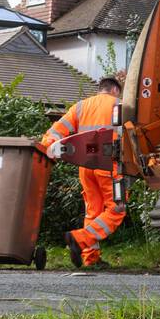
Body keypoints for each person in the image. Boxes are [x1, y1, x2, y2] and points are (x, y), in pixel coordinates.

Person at [42, 74, 126, 269]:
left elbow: (56, 131)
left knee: (93, 211)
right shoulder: (120, 106)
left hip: (85, 167)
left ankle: (91, 258)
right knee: (117, 208)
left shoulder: (81, 106)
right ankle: (80, 239)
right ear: (115, 90)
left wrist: (49, 148)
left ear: (101, 89)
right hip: (109, 165)